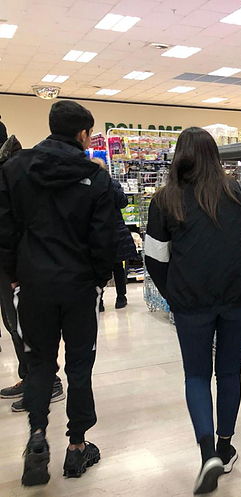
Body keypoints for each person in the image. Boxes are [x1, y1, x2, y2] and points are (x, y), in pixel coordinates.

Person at [144, 127, 241, 495]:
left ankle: (207, 455)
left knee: (197, 376)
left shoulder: (165, 200)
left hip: (191, 304)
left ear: (179, 157)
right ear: (215, 156)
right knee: (229, 371)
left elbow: (154, 259)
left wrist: (174, 294)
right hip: (237, 299)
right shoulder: (238, 193)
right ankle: (225, 446)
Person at [0, 100, 120, 486]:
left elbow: (4, 228)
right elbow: (104, 236)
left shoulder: (15, 169)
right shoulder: (94, 176)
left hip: (34, 284)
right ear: (83, 134)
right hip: (79, 285)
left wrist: (12, 274)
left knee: (39, 364)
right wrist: (99, 278)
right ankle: (77, 446)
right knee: (79, 365)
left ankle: (37, 437)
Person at [0, 135, 66, 413]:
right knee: (13, 324)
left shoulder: (17, 174)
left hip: (19, 266)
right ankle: (29, 377)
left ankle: (47, 382)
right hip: (12, 264)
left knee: (23, 325)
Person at [93, 158, 138, 310]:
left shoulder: (99, 185)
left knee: (105, 267)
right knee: (115, 266)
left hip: (101, 231)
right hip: (112, 229)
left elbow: (123, 202)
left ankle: (107, 299)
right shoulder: (101, 185)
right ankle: (117, 297)